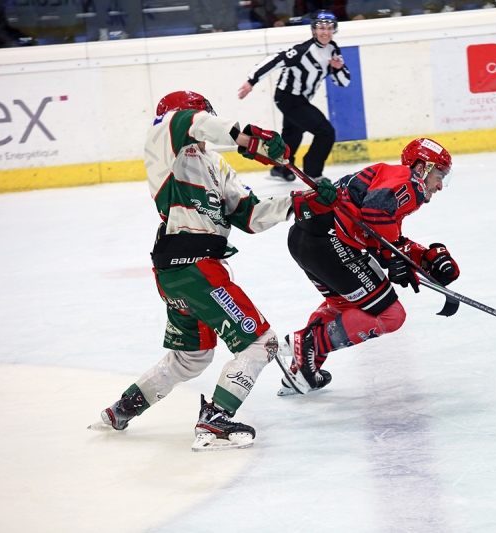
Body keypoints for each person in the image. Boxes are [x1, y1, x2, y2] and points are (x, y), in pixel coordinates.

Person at [94, 90, 339, 451]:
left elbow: (251, 217)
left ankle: (123, 408)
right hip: (195, 267)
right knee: (262, 343)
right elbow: (190, 121)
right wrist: (249, 137)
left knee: (190, 357)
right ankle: (216, 420)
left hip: (179, 270)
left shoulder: (215, 164)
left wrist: (299, 203)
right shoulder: (165, 137)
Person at [277, 138, 461, 395]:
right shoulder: (410, 181)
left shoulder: (392, 178)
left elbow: (386, 236)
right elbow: (376, 210)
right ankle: (306, 343)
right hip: (331, 242)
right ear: (422, 168)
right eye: (439, 175)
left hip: (305, 240)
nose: (440, 185)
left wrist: (426, 257)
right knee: (391, 315)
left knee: (343, 305)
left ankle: (302, 372)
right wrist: (394, 257)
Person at [238, 10, 350, 182]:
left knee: (293, 134)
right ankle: (313, 172)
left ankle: (280, 168)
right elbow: (275, 61)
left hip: (301, 99)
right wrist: (251, 80)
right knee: (325, 132)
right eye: (321, 28)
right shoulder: (302, 51)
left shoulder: (333, 49)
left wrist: (338, 68)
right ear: (314, 30)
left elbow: (343, 82)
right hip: (288, 98)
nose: (326, 32)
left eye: (329, 28)